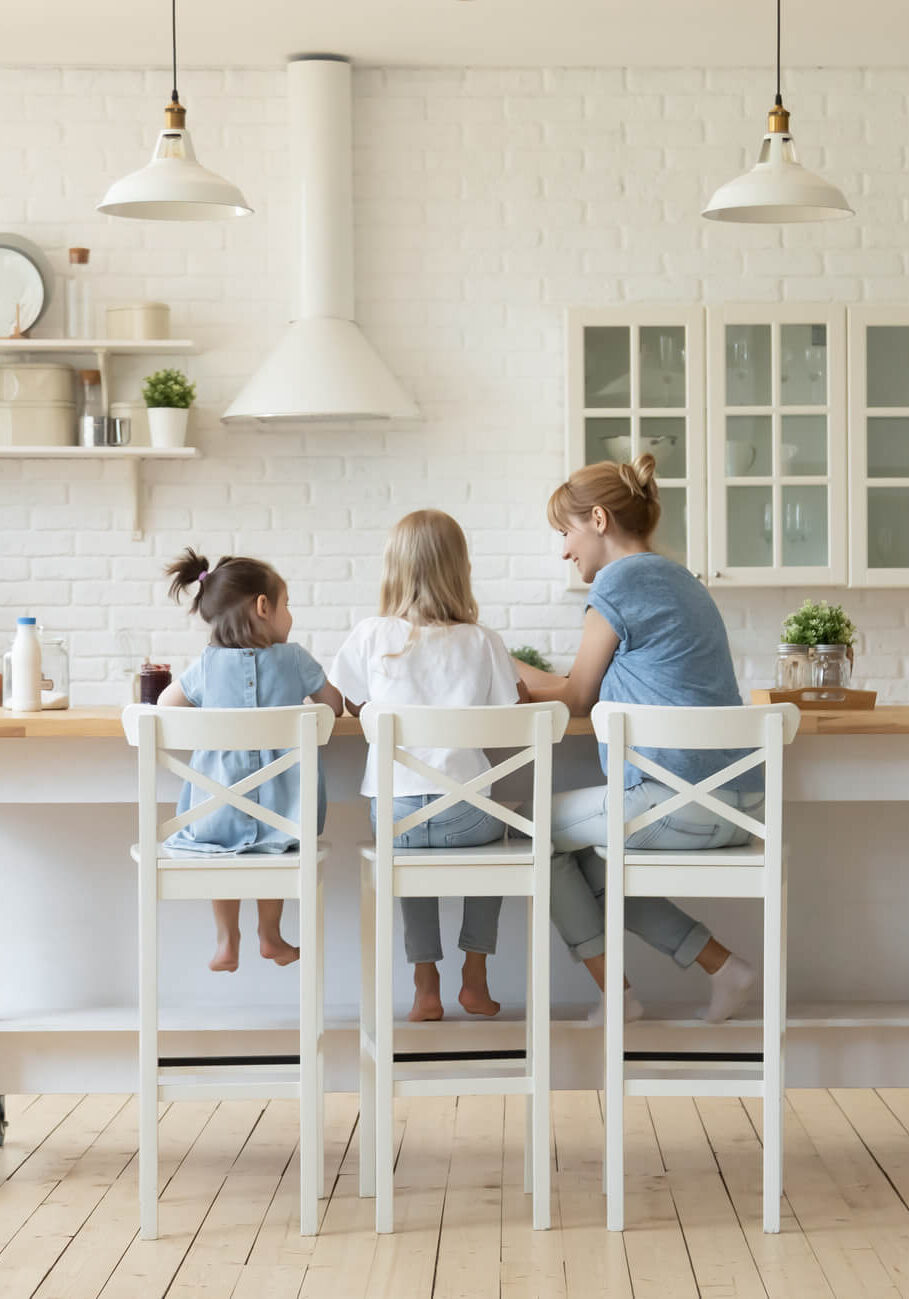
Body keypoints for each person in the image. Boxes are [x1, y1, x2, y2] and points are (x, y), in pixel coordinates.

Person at [515, 456, 761, 1024]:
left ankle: (618, 997)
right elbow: (584, 684)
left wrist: (494, 662)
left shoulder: (618, 584)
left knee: (526, 829)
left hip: (672, 804)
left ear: (598, 519)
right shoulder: (677, 577)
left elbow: (576, 698)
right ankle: (725, 968)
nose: (564, 550)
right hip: (738, 806)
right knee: (594, 866)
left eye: (566, 532)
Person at [330, 509, 526, 1023]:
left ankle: (425, 985)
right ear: (459, 569)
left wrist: (373, 707)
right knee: (503, 830)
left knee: (405, 849)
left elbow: (344, 702)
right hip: (467, 818)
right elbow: (512, 712)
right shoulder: (483, 640)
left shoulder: (371, 634)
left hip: (396, 815)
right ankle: (476, 976)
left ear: (393, 568)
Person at [157, 548, 343, 973]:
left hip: (212, 815)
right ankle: (270, 935)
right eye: (287, 603)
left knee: (221, 854)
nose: (290, 614)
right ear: (264, 607)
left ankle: (226, 940)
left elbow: (166, 708)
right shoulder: (295, 659)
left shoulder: (206, 665)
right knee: (272, 853)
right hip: (284, 815)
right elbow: (332, 706)